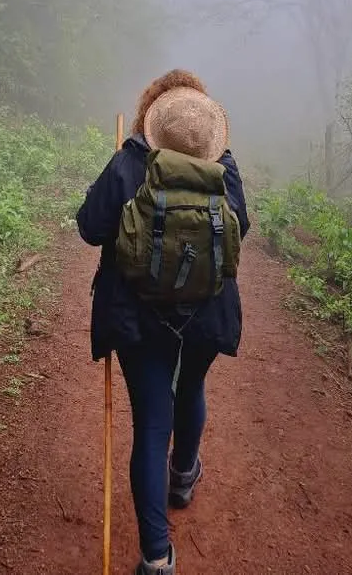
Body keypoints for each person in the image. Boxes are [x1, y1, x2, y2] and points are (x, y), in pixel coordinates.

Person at [76, 69, 250, 575]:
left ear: (152, 117)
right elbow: (244, 225)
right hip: (206, 312)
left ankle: (156, 558)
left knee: (153, 423)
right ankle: (183, 475)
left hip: (139, 317)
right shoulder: (225, 167)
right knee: (191, 388)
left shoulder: (131, 160)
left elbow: (90, 228)